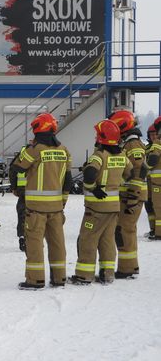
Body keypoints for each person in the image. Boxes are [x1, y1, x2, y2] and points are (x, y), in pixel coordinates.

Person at [10, 113, 73, 290]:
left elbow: (17, 167)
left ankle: (35, 280)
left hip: (36, 208)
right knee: (57, 242)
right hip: (56, 207)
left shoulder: (36, 150)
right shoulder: (64, 150)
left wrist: (17, 188)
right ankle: (59, 278)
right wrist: (63, 202)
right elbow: (68, 180)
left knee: (34, 242)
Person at [69, 120, 133, 285]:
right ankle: (107, 274)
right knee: (107, 240)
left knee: (87, 239)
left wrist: (93, 187)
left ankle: (84, 275)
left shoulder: (99, 155)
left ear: (102, 137)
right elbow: (131, 173)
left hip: (96, 208)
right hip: (113, 207)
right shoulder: (122, 156)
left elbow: (90, 174)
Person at [108, 109, 146, 278]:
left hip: (132, 197)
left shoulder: (133, 144)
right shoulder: (127, 143)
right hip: (128, 195)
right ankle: (129, 267)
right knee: (124, 230)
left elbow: (140, 170)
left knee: (125, 230)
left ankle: (127, 269)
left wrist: (133, 196)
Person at [142, 117, 161, 240]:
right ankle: (153, 228)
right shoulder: (147, 148)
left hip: (156, 183)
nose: (154, 136)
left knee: (157, 207)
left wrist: (145, 168)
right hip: (150, 183)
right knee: (149, 206)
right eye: (152, 134)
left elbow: (152, 160)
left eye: (156, 133)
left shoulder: (157, 145)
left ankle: (157, 232)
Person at [9, 145, 28, 251]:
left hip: (23, 190)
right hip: (39, 191)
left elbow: (12, 169)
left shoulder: (23, 153)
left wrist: (14, 187)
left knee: (22, 214)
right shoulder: (41, 151)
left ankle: (22, 237)